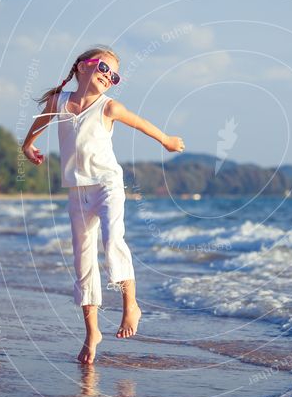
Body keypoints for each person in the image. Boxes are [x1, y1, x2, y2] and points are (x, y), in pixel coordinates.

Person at [21, 45, 185, 364]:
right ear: (83, 67)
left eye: (114, 75)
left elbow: (140, 124)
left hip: (108, 184)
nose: (108, 77)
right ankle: (92, 333)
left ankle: (130, 305)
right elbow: (40, 123)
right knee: (83, 262)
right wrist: (28, 146)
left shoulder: (109, 107)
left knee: (112, 241)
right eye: (103, 68)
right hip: (77, 190)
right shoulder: (60, 101)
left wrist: (166, 140)